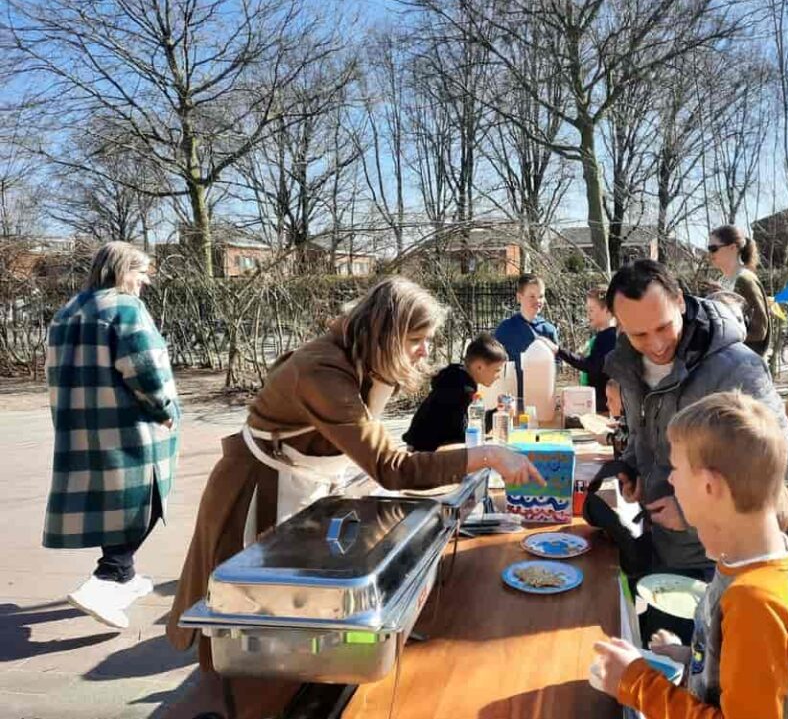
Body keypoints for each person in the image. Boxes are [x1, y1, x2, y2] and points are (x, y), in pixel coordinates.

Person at [166, 278, 542, 714]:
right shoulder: (322, 371)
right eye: (416, 340)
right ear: (385, 333)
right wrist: (486, 455)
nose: (424, 351)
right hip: (257, 490)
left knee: (300, 611)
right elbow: (392, 467)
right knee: (252, 619)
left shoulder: (361, 359)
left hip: (306, 481)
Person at [589, 392, 788, 719]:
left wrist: (635, 683)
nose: (671, 480)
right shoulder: (773, 560)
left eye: (675, 469)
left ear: (708, 486)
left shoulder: (755, 604)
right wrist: (693, 658)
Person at [603, 259, 788, 585]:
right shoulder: (629, 363)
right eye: (639, 334)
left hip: (719, 561)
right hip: (660, 546)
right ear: (619, 324)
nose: (655, 344)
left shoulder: (738, 368)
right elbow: (645, 433)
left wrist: (693, 513)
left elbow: (781, 463)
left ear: (680, 300)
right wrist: (632, 467)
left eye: (664, 327)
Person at [44, 241, 180, 630]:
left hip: (82, 426)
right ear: (122, 270)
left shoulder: (67, 311)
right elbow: (145, 368)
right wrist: (164, 410)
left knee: (113, 503)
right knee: (146, 500)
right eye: (142, 272)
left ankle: (127, 574)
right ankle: (110, 576)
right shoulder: (124, 307)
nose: (145, 282)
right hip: (129, 426)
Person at [402, 333, 508, 452]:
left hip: (425, 451)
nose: (498, 376)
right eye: (496, 370)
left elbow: (469, 424)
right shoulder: (460, 390)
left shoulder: (456, 380)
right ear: (479, 367)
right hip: (426, 458)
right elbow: (464, 436)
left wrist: (497, 412)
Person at [538, 286, 617, 412]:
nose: (588, 314)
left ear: (607, 310)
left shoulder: (609, 337)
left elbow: (590, 365)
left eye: (591, 310)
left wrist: (559, 350)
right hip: (601, 404)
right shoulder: (604, 336)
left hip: (607, 408)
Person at [708, 225, 772, 356]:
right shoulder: (722, 281)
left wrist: (722, 339)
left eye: (713, 248)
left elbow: (760, 331)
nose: (710, 254)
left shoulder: (745, 280)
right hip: (729, 360)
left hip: (747, 364)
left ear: (733, 248)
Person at [494, 273, 559, 402]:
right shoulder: (505, 329)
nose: (538, 301)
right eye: (532, 296)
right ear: (519, 297)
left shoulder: (548, 330)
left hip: (541, 399)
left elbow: (555, 367)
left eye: (541, 296)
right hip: (512, 398)